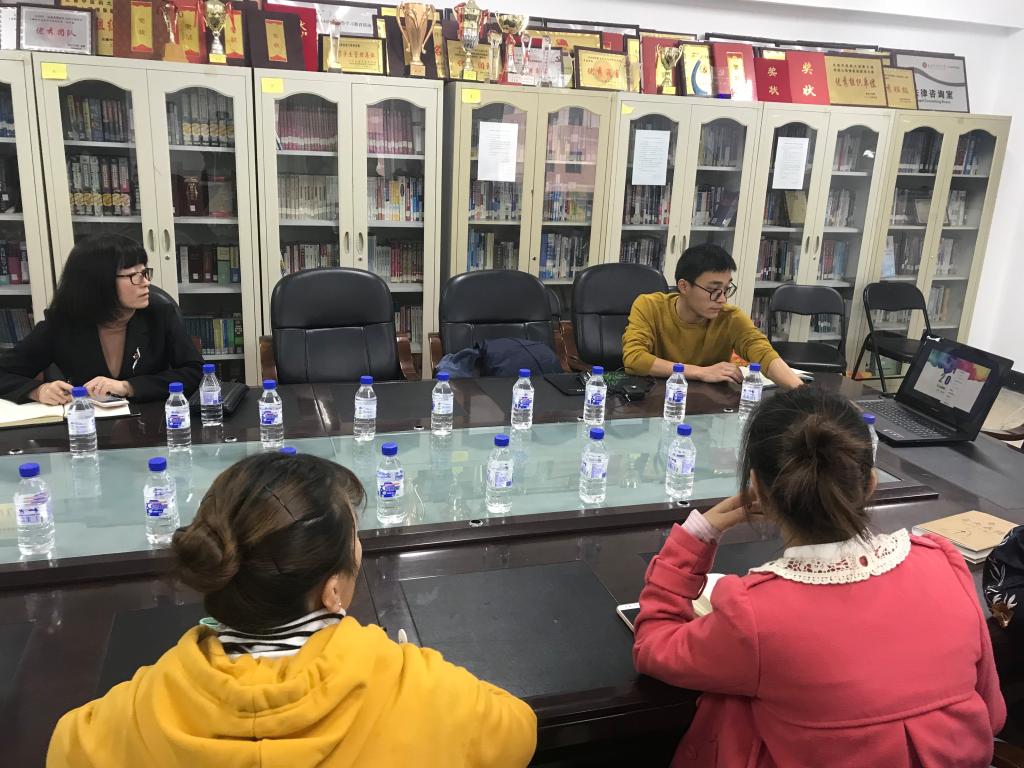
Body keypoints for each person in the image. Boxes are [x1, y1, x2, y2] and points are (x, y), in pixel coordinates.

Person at [47, 452, 537, 768]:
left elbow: (65, 747)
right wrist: (402, 663)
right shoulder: (416, 686)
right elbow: (517, 729)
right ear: (333, 592)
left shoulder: (128, 715)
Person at [633, 386, 1005, 768]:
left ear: (757, 489)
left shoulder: (754, 615)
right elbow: (991, 715)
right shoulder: (944, 562)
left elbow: (653, 647)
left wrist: (698, 534)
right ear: (871, 483)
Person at [0, 234, 202, 404]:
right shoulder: (61, 323)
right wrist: (37, 391)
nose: (146, 282)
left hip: (151, 424)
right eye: (134, 275)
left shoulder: (159, 313)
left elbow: (196, 373)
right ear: (99, 283)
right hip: (86, 425)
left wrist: (128, 387)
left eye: (145, 272)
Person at [621, 243, 803, 388]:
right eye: (713, 290)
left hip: (710, 405)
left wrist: (802, 392)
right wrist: (701, 372)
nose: (722, 299)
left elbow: (763, 353)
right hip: (658, 399)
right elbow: (634, 359)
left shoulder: (730, 317)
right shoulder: (650, 306)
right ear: (684, 286)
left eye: (726, 289)